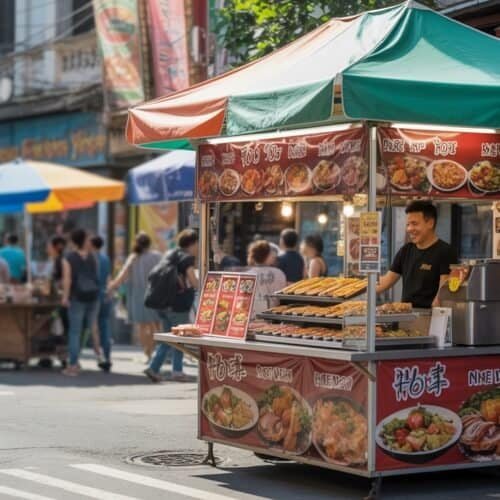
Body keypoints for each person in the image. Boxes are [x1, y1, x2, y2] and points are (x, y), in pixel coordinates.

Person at [376, 201, 458, 308]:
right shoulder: (405, 250)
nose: (409, 229)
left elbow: (442, 293)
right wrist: (357, 288)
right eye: (408, 224)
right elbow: (385, 281)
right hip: (405, 316)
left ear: (430, 223)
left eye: (414, 224)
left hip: (429, 317)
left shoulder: (445, 251)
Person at [144, 229, 199, 383]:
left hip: (163, 304)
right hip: (177, 304)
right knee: (178, 339)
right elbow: (193, 280)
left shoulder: (170, 254)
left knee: (169, 338)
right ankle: (175, 371)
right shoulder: (187, 258)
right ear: (193, 243)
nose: (198, 247)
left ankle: (156, 367)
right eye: (197, 243)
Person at [108, 232, 161, 362]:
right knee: (156, 326)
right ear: (149, 243)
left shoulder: (133, 258)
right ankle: (154, 351)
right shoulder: (157, 256)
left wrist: (112, 286)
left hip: (138, 297)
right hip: (155, 295)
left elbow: (122, 276)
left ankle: (147, 353)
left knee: (142, 327)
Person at [61, 229, 99, 376]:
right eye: (88, 238)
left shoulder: (68, 258)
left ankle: (73, 365)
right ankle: (75, 360)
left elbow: (67, 279)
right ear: (82, 240)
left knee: (74, 332)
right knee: (85, 330)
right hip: (93, 297)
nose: (90, 241)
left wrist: (65, 297)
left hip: (77, 297)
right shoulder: (92, 257)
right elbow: (96, 276)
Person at [247, 240, 287, 316]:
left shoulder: (248, 274)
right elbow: (283, 296)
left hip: (253, 314)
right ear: (268, 255)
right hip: (275, 314)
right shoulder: (279, 273)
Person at [91, 236, 112, 372]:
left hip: (92, 295)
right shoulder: (106, 258)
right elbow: (109, 277)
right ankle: (107, 356)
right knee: (104, 326)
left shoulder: (90, 258)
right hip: (105, 294)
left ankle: (99, 356)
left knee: (93, 327)